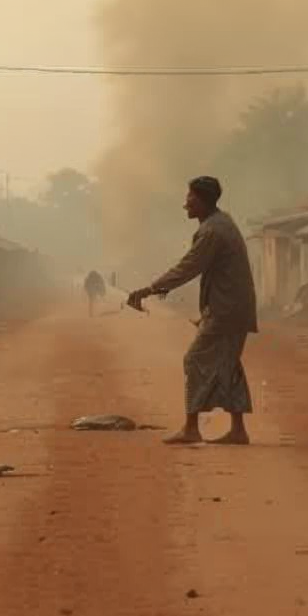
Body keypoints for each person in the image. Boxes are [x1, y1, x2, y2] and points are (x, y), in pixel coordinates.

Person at [126, 175, 259, 445]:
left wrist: (148, 290)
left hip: (226, 310)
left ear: (203, 201)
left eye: (190, 199)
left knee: (194, 360)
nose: (185, 205)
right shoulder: (221, 223)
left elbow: (188, 267)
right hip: (231, 308)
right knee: (227, 364)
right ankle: (238, 430)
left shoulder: (212, 231)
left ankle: (191, 428)